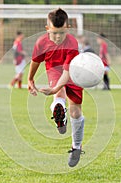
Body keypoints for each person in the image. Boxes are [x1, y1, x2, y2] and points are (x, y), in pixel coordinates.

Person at [27, 8, 85, 167]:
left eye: (61, 33)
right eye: (54, 33)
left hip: (73, 72)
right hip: (53, 71)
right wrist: (30, 79)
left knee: (75, 111)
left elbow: (67, 73)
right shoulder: (41, 42)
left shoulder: (72, 43)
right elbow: (36, 61)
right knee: (59, 94)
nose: (58, 37)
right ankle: (59, 114)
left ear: (68, 28)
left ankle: (77, 146)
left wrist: (52, 90)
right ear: (47, 29)